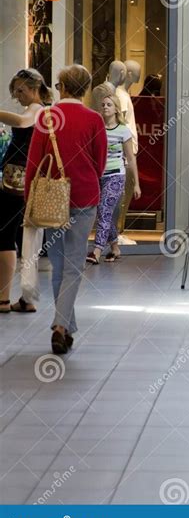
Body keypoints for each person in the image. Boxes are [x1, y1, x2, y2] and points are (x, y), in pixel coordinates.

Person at [25, 65, 107, 354]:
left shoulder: (47, 118)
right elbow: (100, 164)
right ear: (85, 88)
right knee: (74, 266)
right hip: (84, 197)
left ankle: (64, 326)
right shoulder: (95, 119)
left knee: (59, 266)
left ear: (62, 86)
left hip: (52, 200)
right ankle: (61, 327)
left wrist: (28, 202)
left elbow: (33, 165)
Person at [0, 69, 50, 314]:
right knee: (24, 238)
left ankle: (3, 298)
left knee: (5, 235)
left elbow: (21, 122)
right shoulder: (43, 111)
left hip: (16, 183)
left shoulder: (37, 110)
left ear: (35, 88)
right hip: (23, 180)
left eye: (21, 90)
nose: (17, 96)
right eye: (15, 91)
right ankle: (26, 298)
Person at [87, 93, 141, 264]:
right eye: (103, 104)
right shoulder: (97, 128)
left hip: (116, 176)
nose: (105, 107)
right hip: (98, 176)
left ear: (116, 108)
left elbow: (130, 158)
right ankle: (115, 248)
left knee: (104, 211)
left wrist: (137, 184)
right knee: (106, 214)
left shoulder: (123, 131)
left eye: (109, 105)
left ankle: (96, 251)